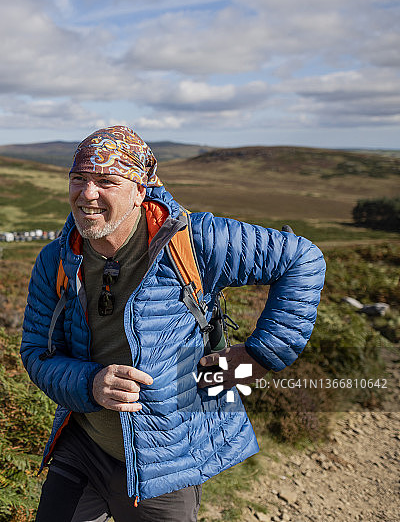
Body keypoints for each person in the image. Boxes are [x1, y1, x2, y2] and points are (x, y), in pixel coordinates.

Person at [19, 126, 326, 521]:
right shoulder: (57, 259)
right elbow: (37, 353)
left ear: (140, 190)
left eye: (106, 181)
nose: (87, 193)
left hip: (167, 460)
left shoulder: (194, 241)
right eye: (78, 178)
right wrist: (89, 383)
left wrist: (259, 357)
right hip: (83, 447)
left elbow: (302, 258)